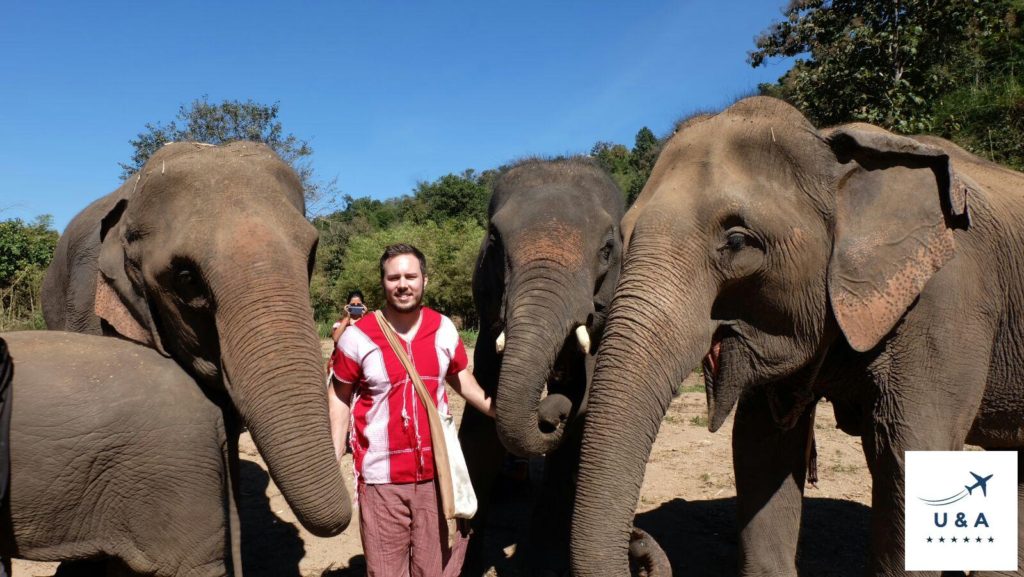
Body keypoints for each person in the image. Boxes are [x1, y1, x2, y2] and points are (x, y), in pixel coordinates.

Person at [328, 243, 494, 577]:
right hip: (381, 479)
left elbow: (463, 380)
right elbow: (339, 396)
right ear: (383, 283)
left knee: (435, 569)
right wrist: (332, 458)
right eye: (394, 277)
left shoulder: (444, 329)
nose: (403, 284)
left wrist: (501, 412)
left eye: (410, 276)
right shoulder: (357, 338)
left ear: (424, 281)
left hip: (437, 475)